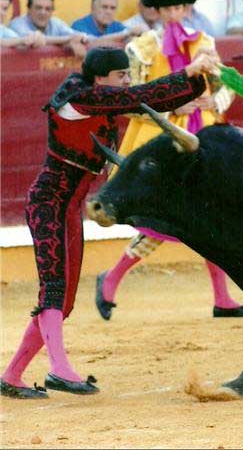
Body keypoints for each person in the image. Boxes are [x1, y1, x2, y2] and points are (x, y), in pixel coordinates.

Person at [0, 46, 217, 399]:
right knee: (54, 288)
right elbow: (139, 95)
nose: (126, 81)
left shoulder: (97, 98)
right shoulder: (77, 97)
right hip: (47, 203)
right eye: (121, 75)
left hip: (69, 208)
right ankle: (59, 369)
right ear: (100, 78)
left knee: (63, 298)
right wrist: (188, 70)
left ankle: (12, 375)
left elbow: (145, 100)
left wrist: (195, 80)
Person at [95, 0, 243, 321]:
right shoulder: (141, 48)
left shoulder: (204, 42)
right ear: (158, 10)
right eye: (167, 8)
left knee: (210, 216)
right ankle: (110, 279)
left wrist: (216, 102)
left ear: (187, 8)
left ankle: (222, 298)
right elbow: (130, 101)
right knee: (162, 219)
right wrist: (171, 108)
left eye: (178, 7)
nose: (174, 13)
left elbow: (227, 84)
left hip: (203, 136)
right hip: (163, 143)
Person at [8, 0, 85, 54]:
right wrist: (68, 40)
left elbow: (81, 37)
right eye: (38, 8)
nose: (43, 13)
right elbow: (34, 40)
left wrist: (79, 38)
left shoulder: (55, 23)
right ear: (29, 9)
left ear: (52, 12)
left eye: (48, 9)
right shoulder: (17, 23)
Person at [71, 0, 146, 42]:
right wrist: (126, 33)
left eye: (112, 8)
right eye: (104, 7)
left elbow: (131, 41)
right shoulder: (79, 25)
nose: (108, 12)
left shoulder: (117, 26)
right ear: (92, 8)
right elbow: (94, 43)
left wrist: (141, 35)